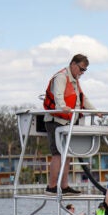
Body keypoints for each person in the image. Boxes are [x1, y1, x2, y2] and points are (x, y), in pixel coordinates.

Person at [43, 53, 96, 195]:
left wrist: (95, 111)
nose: (82, 73)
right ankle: (52, 186)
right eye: (81, 69)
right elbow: (58, 95)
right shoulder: (61, 77)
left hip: (68, 122)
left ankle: (64, 186)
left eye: (85, 71)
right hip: (56, 120)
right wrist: (63, 106)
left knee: (68, 155)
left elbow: (82, 99)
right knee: (57, 154)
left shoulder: (75, 80)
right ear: (73, 64)